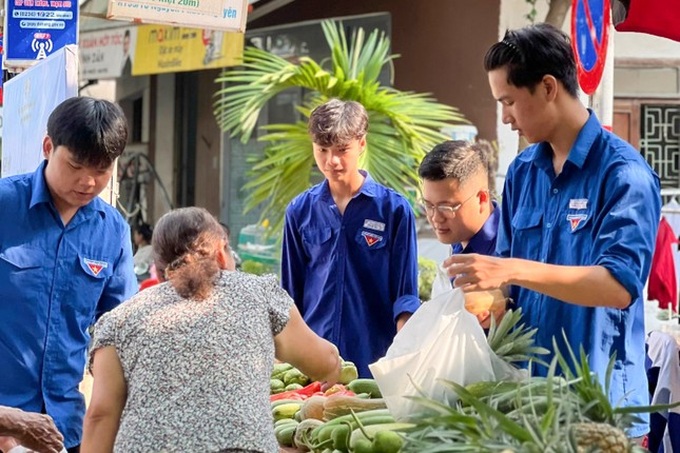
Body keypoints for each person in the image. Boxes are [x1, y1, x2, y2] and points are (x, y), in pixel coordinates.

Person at [444, 23, 660, 439]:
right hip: (530, 403)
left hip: (601, 409)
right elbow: (508, 284)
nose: (504, 117)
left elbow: (617, 286)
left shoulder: (624, 175)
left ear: (547, 87)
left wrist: (509, 271)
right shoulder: (524, 173)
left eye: (508, 101)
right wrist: (485, 300)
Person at [82, 207, 340, 453]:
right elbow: (323, 363)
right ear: (220, 253)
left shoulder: (119, 319)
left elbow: (101, 415)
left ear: (159, 270)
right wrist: (336, 367)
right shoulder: (260, 294)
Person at [0, 96, 138, 452]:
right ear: (48, 147)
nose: (89, 182)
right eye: (76, 165)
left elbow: (122, 332)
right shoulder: (3, 208)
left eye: (101, 170)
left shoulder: (112, 232)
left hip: (63, 431)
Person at [281, 99, 421, 378]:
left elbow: (406, 294)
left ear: (361, 144)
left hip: (374, 362)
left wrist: (403, 355)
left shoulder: (393, 210)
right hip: (313, 363)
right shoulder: (299, 211)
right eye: (322, 150)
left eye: (342, 150)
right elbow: (288, 295)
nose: (331, 160)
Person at [418, 140, 505, 326]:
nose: (435, 218)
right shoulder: (458, 242)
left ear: (482, 198)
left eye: (446, 207)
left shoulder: (508, 248)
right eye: (428, 205)